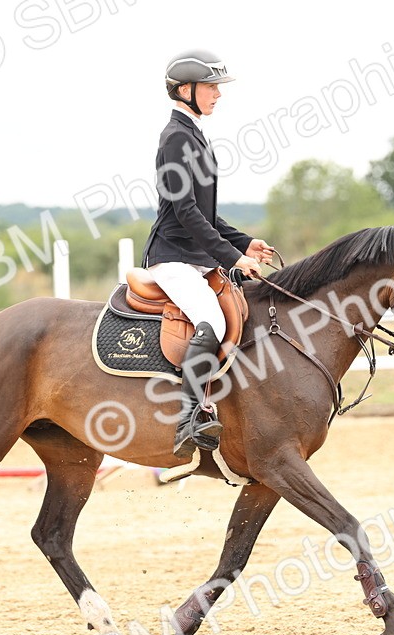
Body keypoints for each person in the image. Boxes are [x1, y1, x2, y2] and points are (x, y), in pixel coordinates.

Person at [142, 49, 274, 459]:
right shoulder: (177, 136)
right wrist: (234, 260)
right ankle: (188, 418)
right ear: (185, 90)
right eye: (211, 86)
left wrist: (243, 243)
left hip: (194, 254)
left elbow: (207, 215)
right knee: (211, 320)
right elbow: (184, 213)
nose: (218, 94)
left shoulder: (194, 132)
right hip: (173, 256)